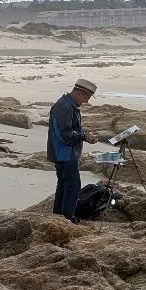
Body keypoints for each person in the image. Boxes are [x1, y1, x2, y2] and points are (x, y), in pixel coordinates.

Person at [47, 79, 99, 224]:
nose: (87, 102)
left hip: (64, 152)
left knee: (64, 183)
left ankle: (59, 215)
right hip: (64, 152)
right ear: (80, 93)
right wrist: (84, 137)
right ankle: (69, 217)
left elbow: (70, 130)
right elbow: (65, 134)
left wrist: (84, 134)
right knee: (73, 184)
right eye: (87, 98)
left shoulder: (68, 105)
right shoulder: (64, 107)